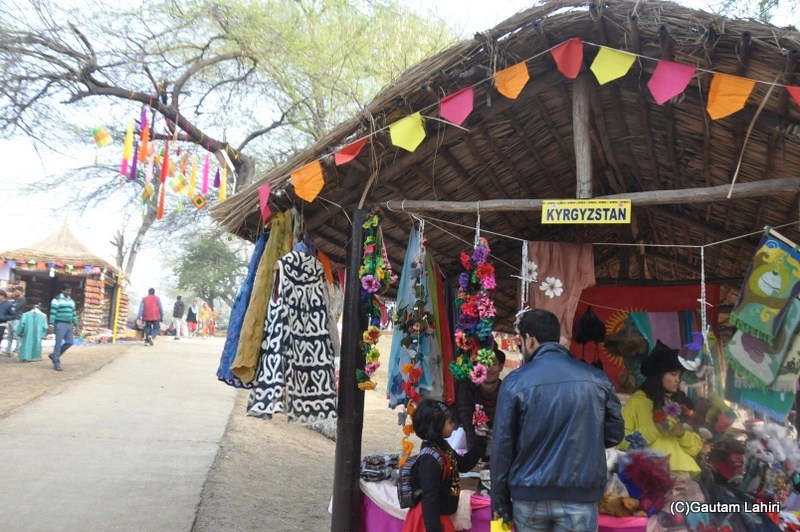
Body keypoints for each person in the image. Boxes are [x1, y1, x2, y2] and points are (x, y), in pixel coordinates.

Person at [491, 308, 624, 531]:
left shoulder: (514, 383)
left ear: (529, 339)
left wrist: (500, 502)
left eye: (520, 343)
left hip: (529, 495)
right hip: (580, 494)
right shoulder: (597, 379)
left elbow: (502, 448)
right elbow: (614, 434)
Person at [618, 340, 703, 474]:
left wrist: (682, 434)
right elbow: (621, 442)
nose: (678, 379)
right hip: (650, 475)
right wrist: (654, 430)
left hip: (683, 475)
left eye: (679, 375)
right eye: (673, 374)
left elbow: (696, 448)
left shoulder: (681, 404)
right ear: (658, 375)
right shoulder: (637, 402)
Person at [403, 399, 485, 532]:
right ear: (436, 425)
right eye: (450, 422)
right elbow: (429, 499)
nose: (454, 424)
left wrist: (480, 443)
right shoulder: (429, 459)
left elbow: (463, 464)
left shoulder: (441, 446)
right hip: (430, 521)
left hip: (438, 516)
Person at [454, 347, 506, 455]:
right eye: (484, 364)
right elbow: (467, 422)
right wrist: (475, 456)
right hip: (474, 446)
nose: (488, 369)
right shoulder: (468, 390)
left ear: (501, 367)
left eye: (493, 364)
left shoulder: (508, 390)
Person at [49, 283, 79, 371]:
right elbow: (53, 312)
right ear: (62, 290)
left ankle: (54, 355)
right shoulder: (56, 300)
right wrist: (51, 324)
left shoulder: (71, 301)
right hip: (60, 323)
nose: (68, 292)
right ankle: (56, 363)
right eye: (67, 291)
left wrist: (76, 325)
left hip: (69, 324)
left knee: (70, 342)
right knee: (58, 343)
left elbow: (74, 314)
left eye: (70, 291)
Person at [4, 286, 27, 356]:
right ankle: (8, 350)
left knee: (17, 335)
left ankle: (18, 349)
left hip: (16, 319)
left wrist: (10, 305)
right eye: (14, 291)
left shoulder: (22, 299)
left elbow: (14, 308)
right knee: (10, 336)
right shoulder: (15, 299)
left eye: (16, 291)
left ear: (21, 292)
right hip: (11, 319)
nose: (14, 292)